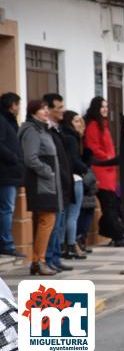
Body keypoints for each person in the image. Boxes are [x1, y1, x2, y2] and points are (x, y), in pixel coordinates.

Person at [18, 100, 60, 276]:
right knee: (47, 220)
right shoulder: (32, 131)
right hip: (40, 183)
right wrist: (48, 172)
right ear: (33, 112)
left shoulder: (43, 129)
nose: (45, 111)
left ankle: (38, 260)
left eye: (46, 108)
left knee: (45, 220)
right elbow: (31, 158)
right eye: (41, 109)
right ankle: (39, 261)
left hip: (46, 182)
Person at [84, 96, 124, 247]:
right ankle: (118, 235)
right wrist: (109, 157)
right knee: (109, 206)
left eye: (106, 106)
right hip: (101, 170)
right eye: (102, 106)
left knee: (111, 205)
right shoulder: (93, 125)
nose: (105, 109)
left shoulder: (103, 125)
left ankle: (112, 234)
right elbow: (93, 147)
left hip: (109, 170)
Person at [42, 93, 74, 272]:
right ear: (48, 109)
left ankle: (55, 257)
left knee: (59, 224)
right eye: (59, 108)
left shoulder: (58, 129)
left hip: (63, 182)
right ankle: (47, 258)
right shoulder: (45, 130)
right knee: (52, 225)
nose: (63, 111)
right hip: (52, 183)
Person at [60, 110, 89, 259]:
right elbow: (74, 160)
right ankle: (70, 245)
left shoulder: (62, 134)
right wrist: (85, 170)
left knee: (65, 215)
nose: (80, 124)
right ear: (69, 121)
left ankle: (65, 245)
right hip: (75, 178)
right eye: (76, 121)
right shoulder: (71, 138)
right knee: (72, 215)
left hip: (65, 178)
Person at [0, 93, 25, 257]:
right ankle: (6, 244)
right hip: (6, 173)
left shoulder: (9, 120)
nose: (18, 108)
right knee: (6, 209)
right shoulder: (3, 120)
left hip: (12, 173)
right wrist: (14, 158)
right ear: (12, 105)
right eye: (18, 105)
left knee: (7, 209)